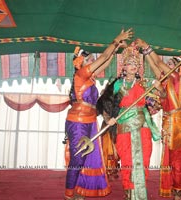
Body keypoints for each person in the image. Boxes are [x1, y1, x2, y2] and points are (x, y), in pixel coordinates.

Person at [64, 28, 133, 200]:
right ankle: (68, 195)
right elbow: (103, 58)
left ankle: (80, 191)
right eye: (89, 59)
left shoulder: (90, 78)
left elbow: (106, 62)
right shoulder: (80, 75)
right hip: (78, 122)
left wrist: (116, 49)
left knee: (87, 158)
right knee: (78, 159)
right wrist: (116, 39)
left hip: (89, 121)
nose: (93, 61)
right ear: (81, 62)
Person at [135, 38, 181, 200]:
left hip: (176, 122)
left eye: (171, 63)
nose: (167, 65)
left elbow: (158, 63)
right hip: (168, 122)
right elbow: (155, 66)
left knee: (178, 158)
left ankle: (178, 190)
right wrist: (145, 53)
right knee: (171, 157)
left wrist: (146, 46)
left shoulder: (174, 78)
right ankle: (176, 188)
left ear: (176, 68)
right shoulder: (166, 80)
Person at [107, 42, 160, 200]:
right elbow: (107, 104)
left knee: (143, 160)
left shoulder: (145, 85)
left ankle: (140, 193)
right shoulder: (116, 85)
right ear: (123, 66)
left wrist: (159, 87)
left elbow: (159, 101)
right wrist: (109, 118)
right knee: (127, 160)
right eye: (130, 63)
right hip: (124, 125)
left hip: (142, 126)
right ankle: (129, 192)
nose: (133, 66)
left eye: (136, 64)